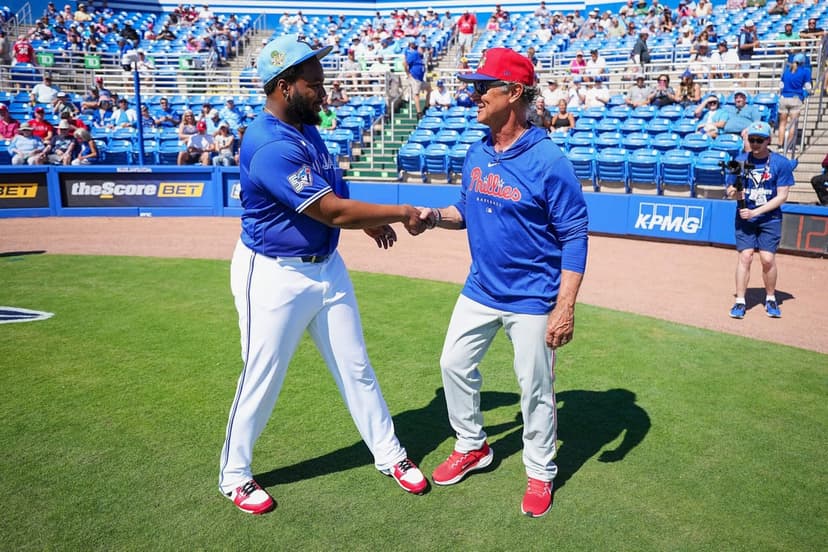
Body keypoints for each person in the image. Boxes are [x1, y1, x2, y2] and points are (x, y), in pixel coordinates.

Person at [218, 34, 429, 516]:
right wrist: (399, 211)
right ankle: (234, 475)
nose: (324, 92)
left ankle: (389, 453)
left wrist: (365, 220)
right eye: (314, 84)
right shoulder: (269, 144)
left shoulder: (305, 127)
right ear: (284, 86)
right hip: (274, 274)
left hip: (326, 267)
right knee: (262, 377)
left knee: (356, 366)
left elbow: (334, 186)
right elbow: (330, 211)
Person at [419, 47, 588, 519]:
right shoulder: (478, 149)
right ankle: (472, 444)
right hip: (480, 288)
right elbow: (465, 209)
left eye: (482, 88)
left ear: (513, 93)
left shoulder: (549, 160)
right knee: (453, 364)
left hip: (533, 297)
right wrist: (432, 217)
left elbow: (575, 234)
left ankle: (540, 470)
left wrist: (565, 306)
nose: (473, 95)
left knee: (534, 388)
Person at [726, 121, 793, 319]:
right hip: (744, 218)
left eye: (759, 140)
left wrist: (755, 212)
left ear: (768, 141)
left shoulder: (780, 163)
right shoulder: (739, 161)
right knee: (745, 257)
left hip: (769, 218)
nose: (755, 143)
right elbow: (729, 189)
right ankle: (740, 301)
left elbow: (782, 196)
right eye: (752, 139)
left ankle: (770, 298)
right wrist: (734, 193)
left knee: (767, 259)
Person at [777, 53, 812, 151]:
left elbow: (781, 85)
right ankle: (789, 146)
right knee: (793, 124)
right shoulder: (805, 71)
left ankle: (780, 145)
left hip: (784, 98)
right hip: (795, 98)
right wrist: (810, 92)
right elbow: (808, 86)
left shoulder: (787, 71)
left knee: (782, 123)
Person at [403, 41, 427, 118]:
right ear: (418, 48)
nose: (423, 50)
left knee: (429, 89)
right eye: (422, 48)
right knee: (416, 94)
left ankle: (426, 106)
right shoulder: (414, 54)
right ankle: (419, 112)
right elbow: (405, 63)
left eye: (424, 48)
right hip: (414, 77)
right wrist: (408, 73)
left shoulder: (422, 56)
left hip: (420, 79)